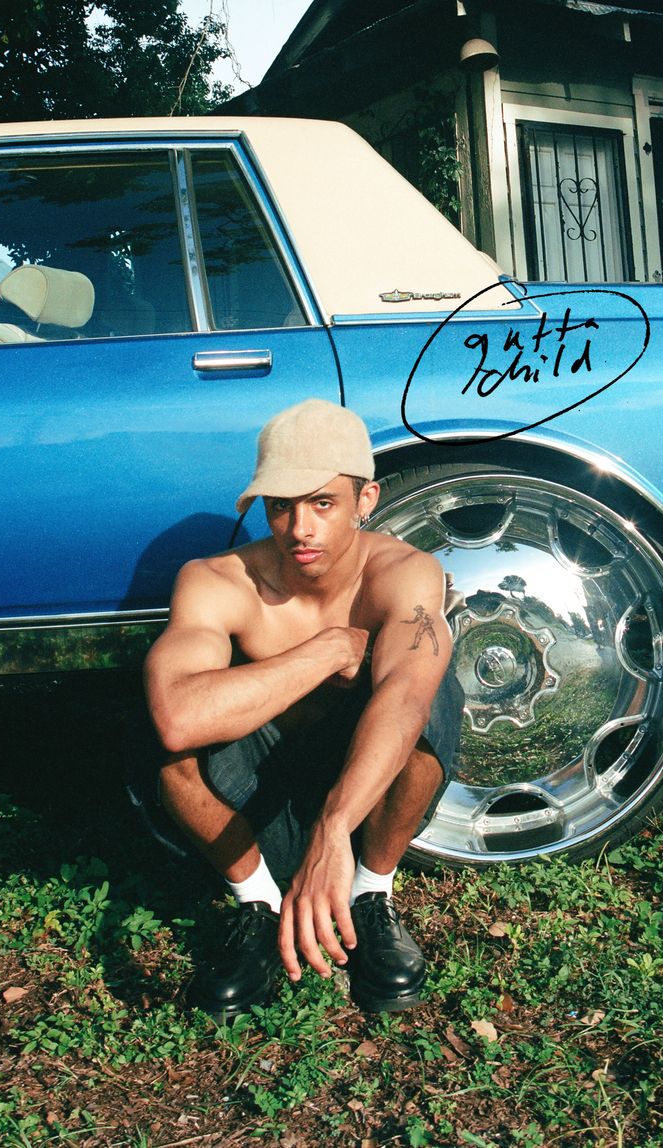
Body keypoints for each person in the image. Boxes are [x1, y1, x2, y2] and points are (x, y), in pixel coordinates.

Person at [143, 399, 462, 1018]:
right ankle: (258, 905)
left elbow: (405, 700)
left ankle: (371, 894)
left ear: (365, 499)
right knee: (160, 724)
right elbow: (177, 719)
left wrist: (335, 830)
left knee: (430, 691)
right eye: (281, 506)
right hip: (249, 805)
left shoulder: (405, 573)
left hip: (364, 798)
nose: (299, 529)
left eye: (322, 503)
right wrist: (328, 649)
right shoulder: (216, 580)